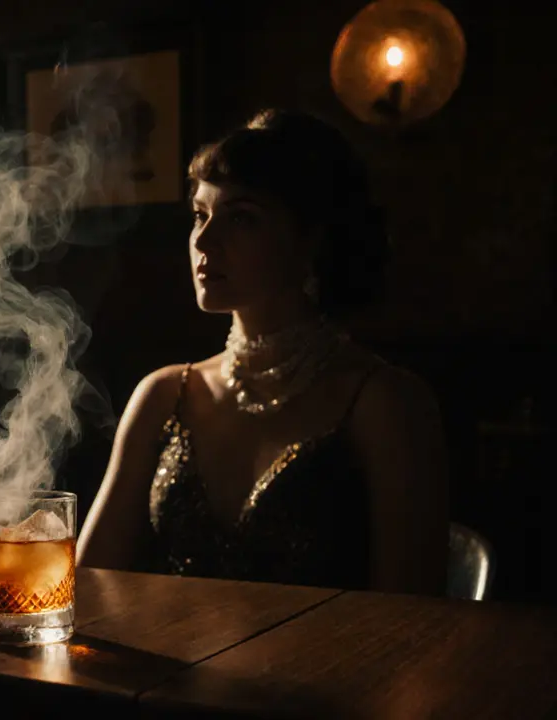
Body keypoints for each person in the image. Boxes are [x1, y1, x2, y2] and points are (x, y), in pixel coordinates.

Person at [77, 110, 449, 596]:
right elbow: (87, 586)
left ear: (311, 240)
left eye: (242, 218)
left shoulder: (385, 404)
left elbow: (416, 621)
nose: (204, 242)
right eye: (200, 215)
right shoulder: (166, 394)